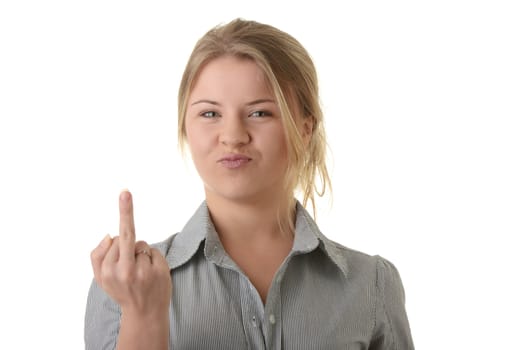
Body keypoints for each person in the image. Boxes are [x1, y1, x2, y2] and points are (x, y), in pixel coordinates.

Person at [85, 18, 414, 350]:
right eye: (210, 114)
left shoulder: (371, 286)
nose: (232, 137)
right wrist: (144, 315)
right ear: (185, 126)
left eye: (259, 113)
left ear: (304, 128)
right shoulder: (122, 285)